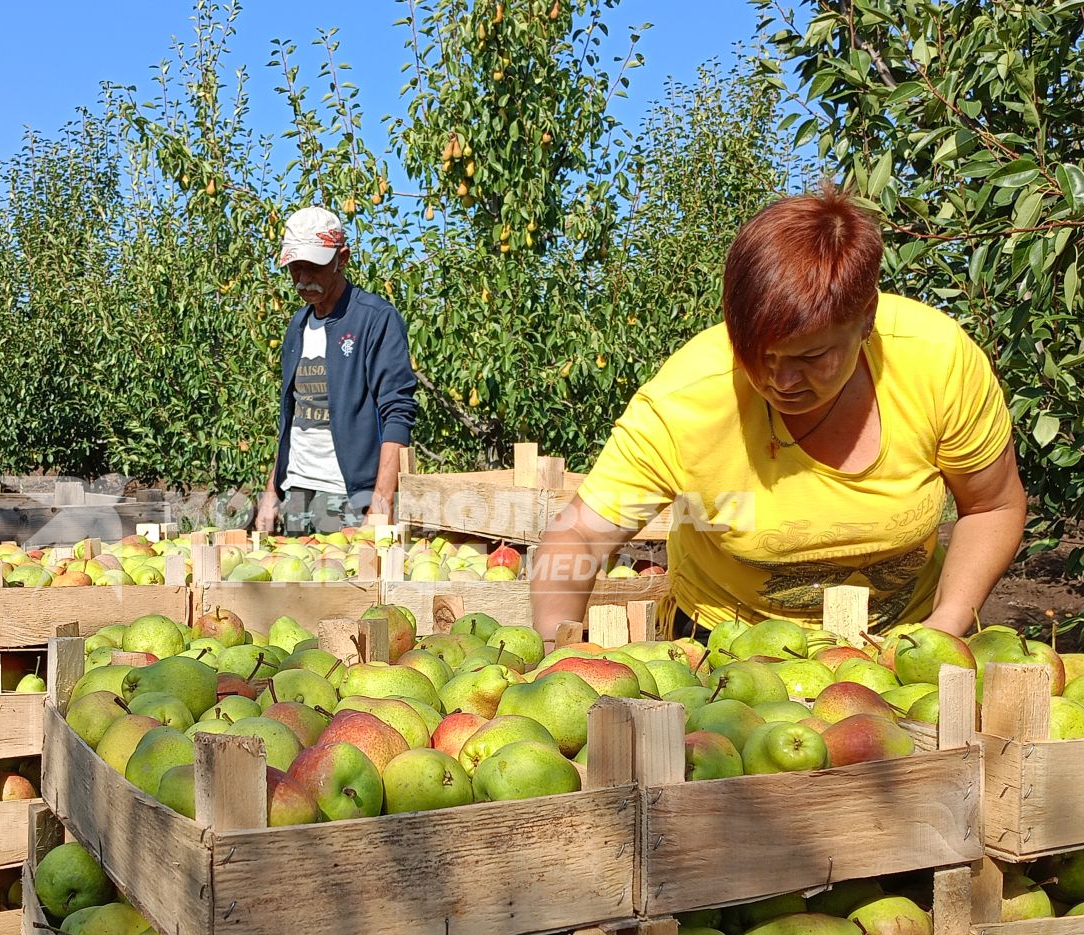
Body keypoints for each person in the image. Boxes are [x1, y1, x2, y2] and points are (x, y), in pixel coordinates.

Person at [531, 187, 1027, 641]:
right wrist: (559, 648)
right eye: (758, 356)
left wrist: (947, 623)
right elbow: (580, 535)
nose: (780, 382)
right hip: (727, 651)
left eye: (811, 357)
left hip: (904, 642)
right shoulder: (688, 401)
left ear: (866, 319)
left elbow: (991, 506)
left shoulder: (934, 362)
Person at [254, 206, 418, 537]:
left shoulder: (374, 319)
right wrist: (273, 491)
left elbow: (397, 414)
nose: (302, 281)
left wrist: (381, 506)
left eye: (312, 268)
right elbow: (291, 415)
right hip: (298, 493)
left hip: (349, 497)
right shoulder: (297, 325)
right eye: (294, 270)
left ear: (341, 258)